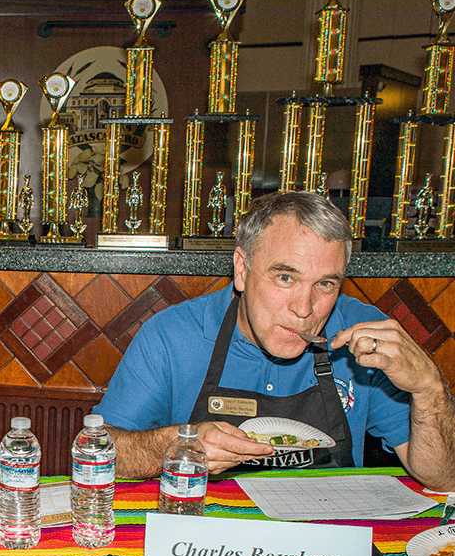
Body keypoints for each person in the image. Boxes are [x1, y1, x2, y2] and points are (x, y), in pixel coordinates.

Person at [94, 191, 455, 492]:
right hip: (204, 543)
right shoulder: (173, 335)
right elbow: (102, 451)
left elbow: (442, 477)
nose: (304, 308)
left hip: (328, 544)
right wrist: (176, 446)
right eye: (285, 277)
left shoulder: (361, 334)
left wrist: (429, 390)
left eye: (326, 284)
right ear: (242, 270)